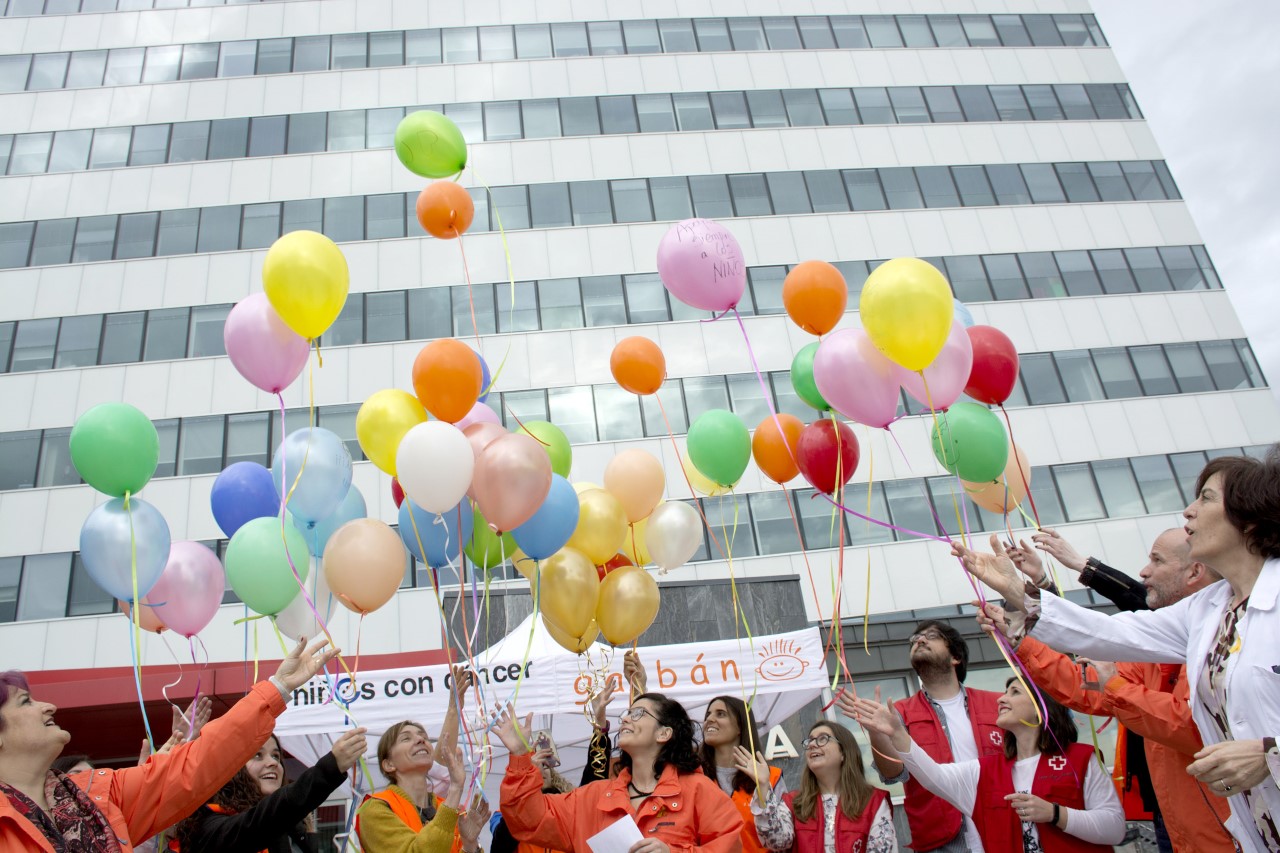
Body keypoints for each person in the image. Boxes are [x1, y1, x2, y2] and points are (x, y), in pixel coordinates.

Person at [955, 447, 1280, 852]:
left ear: (1249, 517)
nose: (1188, 511)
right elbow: (1107, 632)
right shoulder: (1207, 610)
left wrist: (1271, 754)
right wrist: (1016, 591)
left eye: (1206, 498)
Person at [996, 530, 1236, 852]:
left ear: (1194, 572)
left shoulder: (1222, 639)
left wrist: (1078, 569)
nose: (1144, 571)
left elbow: (1190, 724)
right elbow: (1088, 688)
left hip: (1227, 826)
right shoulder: (1153, 644)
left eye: (1156, 560)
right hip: (1180, 823)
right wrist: (1021, 642)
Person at [0, 637, 339, 852]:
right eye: (26, 702)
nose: (49, 706)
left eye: (275, 755)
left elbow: (198, 763)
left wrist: (277, 688)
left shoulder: (98, 792)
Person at [848, 678, 1126, 852]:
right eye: (1005, 692)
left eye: (1014, 692)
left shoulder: (1081, 759)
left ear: (1042, 708)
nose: (1002, 698)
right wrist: (897, 734)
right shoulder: (983, 771)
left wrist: (1055, 813)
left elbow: (1115, 828)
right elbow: (931, 775)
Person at [496, 693, 745, 853]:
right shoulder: (592, 798)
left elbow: (731, 846)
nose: (625, 720)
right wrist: (519, 754)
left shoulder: (698, 790)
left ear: (664, 733)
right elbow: (526, 818)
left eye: (638, 714)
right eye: (627, 714)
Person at [852, 619, 1002, 852]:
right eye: (915, 639)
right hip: (941, 840)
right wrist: (876, 732)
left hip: (1004, 826)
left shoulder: (997, 704)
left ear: (955, 658)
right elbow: (894, 774)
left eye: (931, 636)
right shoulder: (898, 713)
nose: (919, 640)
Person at [176, 727, 367, 852]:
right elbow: (262, 820)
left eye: (276, 756)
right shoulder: (212, 826)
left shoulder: (294, 827)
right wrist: (329, 768)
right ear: (230, 769)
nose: (272, 763)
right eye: (257, 755)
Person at [750, 720, 897, 853]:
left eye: (823, 739)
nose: (812, 744)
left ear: (844, 752)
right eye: (810, 741)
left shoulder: (872, 802)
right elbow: (776, 841)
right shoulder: (793, 803)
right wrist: (763, 785)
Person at [700, 696, 784, 853]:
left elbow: (782, 842)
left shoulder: (772, 777)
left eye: (720, 714)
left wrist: (764, 788)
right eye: (708, 715)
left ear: (740, 726)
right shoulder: (694, 778)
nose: (709, 719)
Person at [491, 748, 573, 853]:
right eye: (532, 765)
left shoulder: (569, 804)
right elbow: (500, 847)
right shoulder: (501, 815)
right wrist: (524, 787)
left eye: (544, 765)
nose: (540, 769)